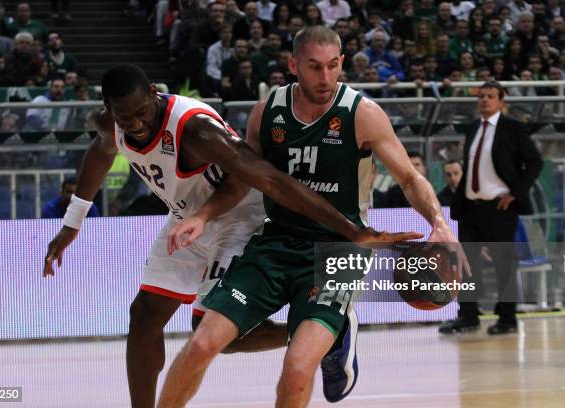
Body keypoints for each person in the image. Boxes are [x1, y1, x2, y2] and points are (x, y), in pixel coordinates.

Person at [42, 63, 418, 408]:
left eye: (142, 113)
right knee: (143, 315)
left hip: (240, 217)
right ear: (109, 109)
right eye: (126, 118)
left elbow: (273, 180)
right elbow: (101, 151)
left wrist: (352, 230)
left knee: (210, 334)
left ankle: (325, 330)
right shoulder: (113, 123)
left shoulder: (196, 130)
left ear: (155, 94)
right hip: (187, 218)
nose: (136, 125)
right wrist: (73, 223)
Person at [156, 26, 464, 408]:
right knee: (203, 342)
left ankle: (333, 331)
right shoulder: (268, 111)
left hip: (339, 250)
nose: (325, 77)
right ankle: (337, 332)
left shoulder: (362, 113)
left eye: (333, 66)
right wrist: (202, 216)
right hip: (275, 241)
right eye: (315, 67)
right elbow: (242, 180)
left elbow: (410, 178)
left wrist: (438, 221)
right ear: (293, 65)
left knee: (298, 368)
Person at [441, 80, 543, 335]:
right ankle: (468, 316)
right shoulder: (474, 127)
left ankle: (507, 318)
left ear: (501, 101)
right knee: (466, 265)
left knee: (503, 265)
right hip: (471, 207)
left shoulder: (514, 128)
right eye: (481, 96)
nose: (484, 100)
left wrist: (515, 194)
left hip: (500, 207)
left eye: (490, 96)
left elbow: (535, 162)